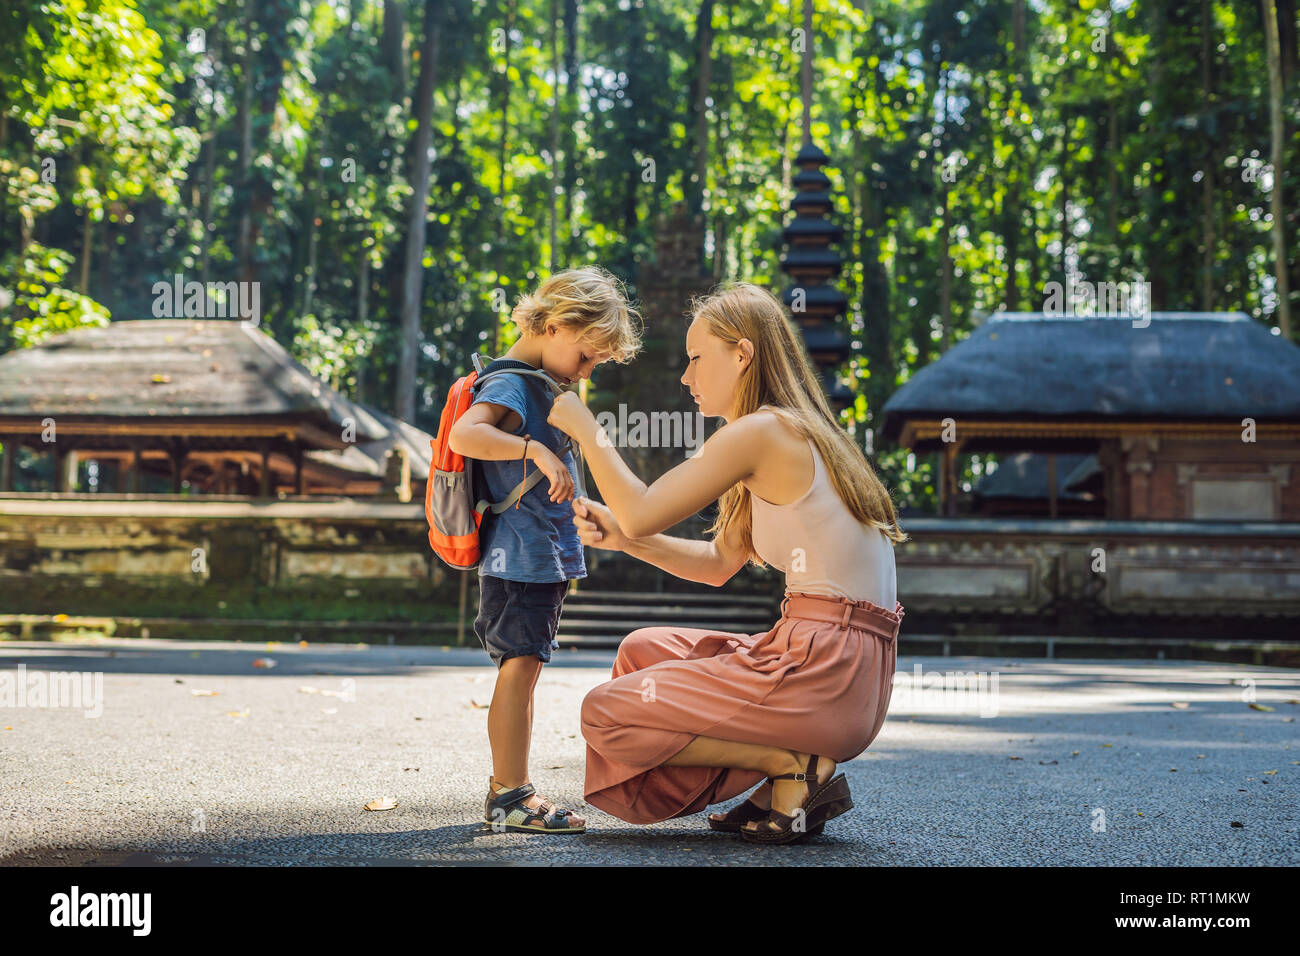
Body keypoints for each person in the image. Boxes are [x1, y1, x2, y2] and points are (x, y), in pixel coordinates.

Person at [546, 282, 906, 844]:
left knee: (604, 714)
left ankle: (789, 767)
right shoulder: (791, 430)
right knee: (640, 650)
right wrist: (624, 541)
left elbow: (641, 511)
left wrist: (589, 430)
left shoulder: (761, 431)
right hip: (843, 665)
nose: (686, 377)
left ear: (742, 353)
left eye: (695, 359)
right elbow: (717, 564)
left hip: (826, 667)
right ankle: (789, 767)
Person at [448, 266, 641, 833]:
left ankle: (511, 789)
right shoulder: (512, 383)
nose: (585, 372)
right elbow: (465, 435)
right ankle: (509, 796)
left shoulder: (536, 384)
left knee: (523, 665)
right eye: (586, 358)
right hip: (521, 555)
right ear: (555, 326)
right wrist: (534, 447)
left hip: (534, 552)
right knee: (520, 666)